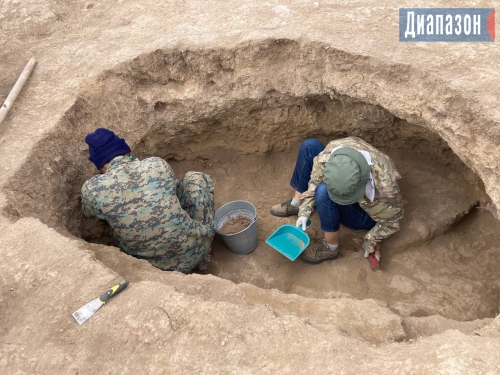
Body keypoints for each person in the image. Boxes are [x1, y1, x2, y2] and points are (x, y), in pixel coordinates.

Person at [81, 128, 215, 273]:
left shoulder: (91, 189)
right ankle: (202, 259)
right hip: (197, 250)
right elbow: (180, 193)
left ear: (100, 166)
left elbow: (93, 216)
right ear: (127, 152)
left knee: (113, 222)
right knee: (194, 178)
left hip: (151, 267)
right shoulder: (155, 164)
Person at [270, 137, 403, 271]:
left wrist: (372, 240)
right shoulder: (332, 152)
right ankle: (296, 203)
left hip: (365, 212)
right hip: (343, 179)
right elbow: (315, 181)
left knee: (323, 192)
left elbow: (392, 221)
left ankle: (330, 248)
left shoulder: (386, 187)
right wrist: (304, 211)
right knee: (310, 146)